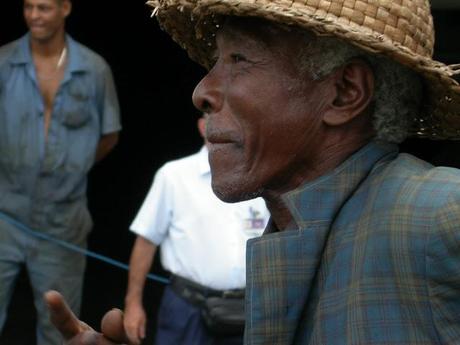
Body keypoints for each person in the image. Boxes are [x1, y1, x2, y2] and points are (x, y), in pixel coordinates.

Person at [45, 0, 460, 344]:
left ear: (344, 93)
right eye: (217, 61)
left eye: (239, 59)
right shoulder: (291, 227)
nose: (201, 92)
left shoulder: (440, 211)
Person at [0, 0, 121, 343]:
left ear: (65, 8)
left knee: (59, 324)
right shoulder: (4, 62)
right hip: (4, 212)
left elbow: (109, 135)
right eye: (27, 6)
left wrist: (72, 165)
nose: (34, 15)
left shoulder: (94, 69)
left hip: (63, 217)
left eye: (44, 7)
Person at [124, 115, 269, 345]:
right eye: (220, 121)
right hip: (186, 307)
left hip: (249, 309)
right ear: (203, 127)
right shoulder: (173, 175)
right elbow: (146, 242)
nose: (228, 130)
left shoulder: (263, 178)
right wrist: (133, 304)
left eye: (236, 121)